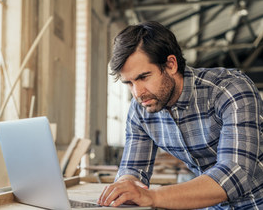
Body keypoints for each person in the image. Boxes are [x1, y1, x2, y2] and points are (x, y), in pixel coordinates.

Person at [97, 21, 263, 209]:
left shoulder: (229, 89)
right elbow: (133, 169)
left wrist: (152, 196)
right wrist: (127, 186)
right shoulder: (140, 110)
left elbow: (235, 174)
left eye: (143, 77)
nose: (137, 93)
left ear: (171, 64)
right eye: (129, 83)